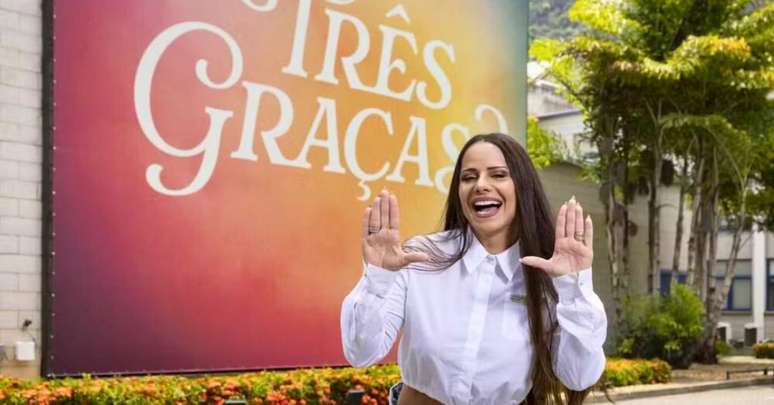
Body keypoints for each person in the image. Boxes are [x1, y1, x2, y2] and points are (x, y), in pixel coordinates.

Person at [341, 133, 607, 404]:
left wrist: (574, 287)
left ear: (523, 187)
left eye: (498, 175)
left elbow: (579, 376)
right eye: (468, 177)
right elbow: (361, 353)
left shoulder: (548, 275)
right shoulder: (421, 257)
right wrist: (378, 278)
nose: (480, 185)